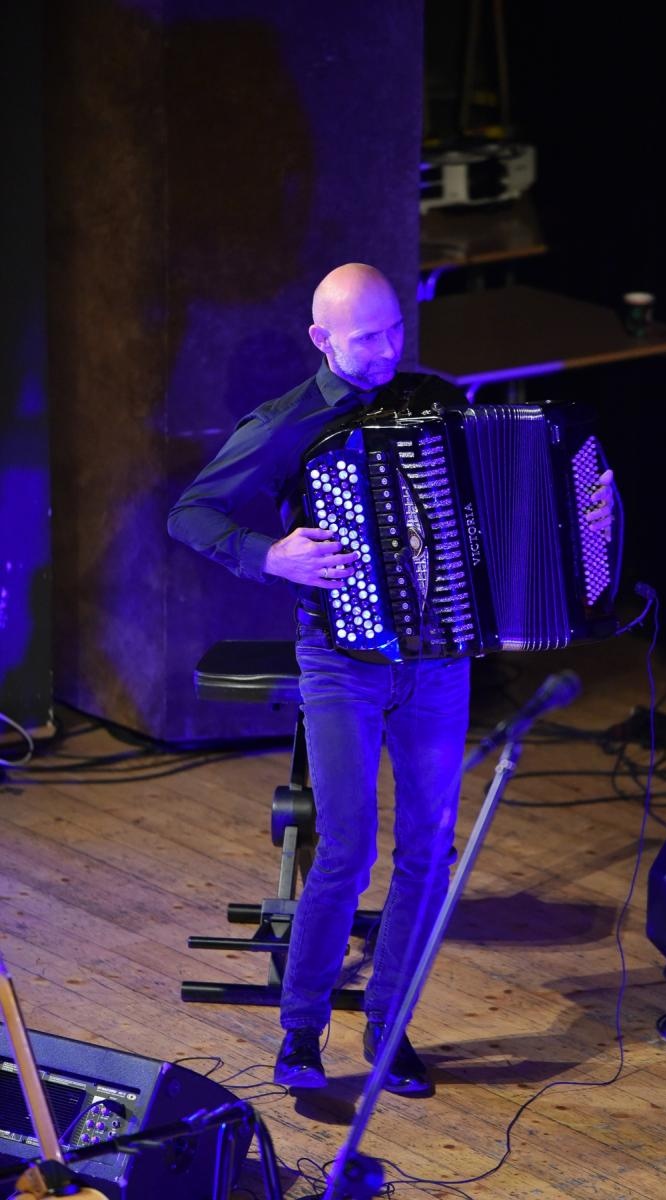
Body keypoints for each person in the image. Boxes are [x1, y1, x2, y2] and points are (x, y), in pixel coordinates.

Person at [168, 262, 614, 1097]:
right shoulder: (287, 423)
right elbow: (190, 512)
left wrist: (580, 512)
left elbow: (499, 509)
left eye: (392, 331)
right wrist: (269, 553)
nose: (383, 349)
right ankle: (300, 1032)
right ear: (321, 338)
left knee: (428, 854)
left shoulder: (442, 401)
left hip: (439, 664)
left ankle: (387, 1024)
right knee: (344, 850)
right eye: (365, 336)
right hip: (340, 663)